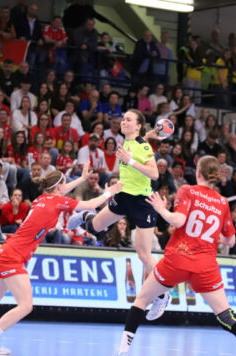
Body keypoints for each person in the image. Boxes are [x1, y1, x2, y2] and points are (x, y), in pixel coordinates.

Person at [104, 156, 236, 356]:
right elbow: (231, 242)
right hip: (205, 266)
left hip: (178, 259)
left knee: (141, 300)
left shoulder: (187, 190)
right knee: (226, 315)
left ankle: (122, 354)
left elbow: (178, 221)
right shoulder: (223, 202)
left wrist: (160, 209)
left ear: (198, 172)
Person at [0, 166, 123, 355]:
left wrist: (81, 179)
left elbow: (60, 188)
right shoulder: (57, 201)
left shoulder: (41, 199)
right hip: (14, 256)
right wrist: (109, 192)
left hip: (6, 251)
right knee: (26, 305)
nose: (66, 188)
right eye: (64, 184)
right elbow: (90, 205)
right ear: (59, 187)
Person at [71, 109, 171, 317]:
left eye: (128, 119)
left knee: (144, 254)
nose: (123, 122)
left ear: (137, 125)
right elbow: (143, 137)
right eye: (123, 118)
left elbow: (154, 173)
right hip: (124, 195)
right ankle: (84, 216)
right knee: (95, 227)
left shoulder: (142, 146)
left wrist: (130, 159)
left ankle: (163, 295)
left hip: (142, 202)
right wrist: (151, 133)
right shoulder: (131, 140)